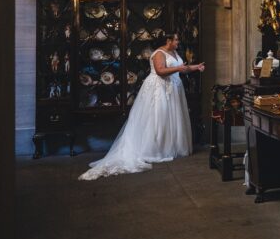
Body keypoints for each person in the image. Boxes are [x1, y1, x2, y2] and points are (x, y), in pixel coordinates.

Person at [79, 33, 205, 180]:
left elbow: (182, 67)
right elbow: (160, 71)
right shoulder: (159, 53)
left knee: (172, 118)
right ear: (168, 41)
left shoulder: (174, 52)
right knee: (158, 118)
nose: (178, 41)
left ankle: (170, 148)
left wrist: (196, 67)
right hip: (160, 88)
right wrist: (179, 69)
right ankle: (155, 150)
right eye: (176, 39)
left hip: (174, 88)